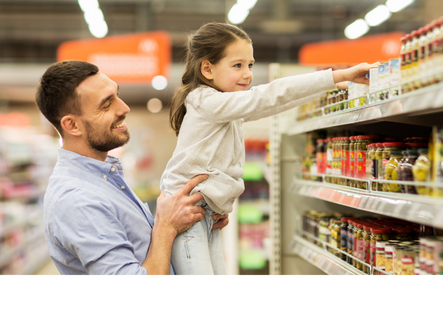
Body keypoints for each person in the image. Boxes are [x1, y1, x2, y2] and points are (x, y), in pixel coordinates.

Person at [162, 22, 376, 278]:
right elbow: (269, 96)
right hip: (187, 215)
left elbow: (274, 104)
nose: (247, 74)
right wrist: (339, 75)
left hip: (207, 215)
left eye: (250, 65)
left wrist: (328, 86)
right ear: (207, 69)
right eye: (237, 65)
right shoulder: (205, 101)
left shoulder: (224, 107)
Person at [36, 60, 228, 278]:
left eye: (117, 94)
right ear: (72, 125)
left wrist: (193, 218)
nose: (124, 108)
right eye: (106, 104)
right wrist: (166, 227)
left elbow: (142, 249)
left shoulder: (103, 176)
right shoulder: (77, 200)